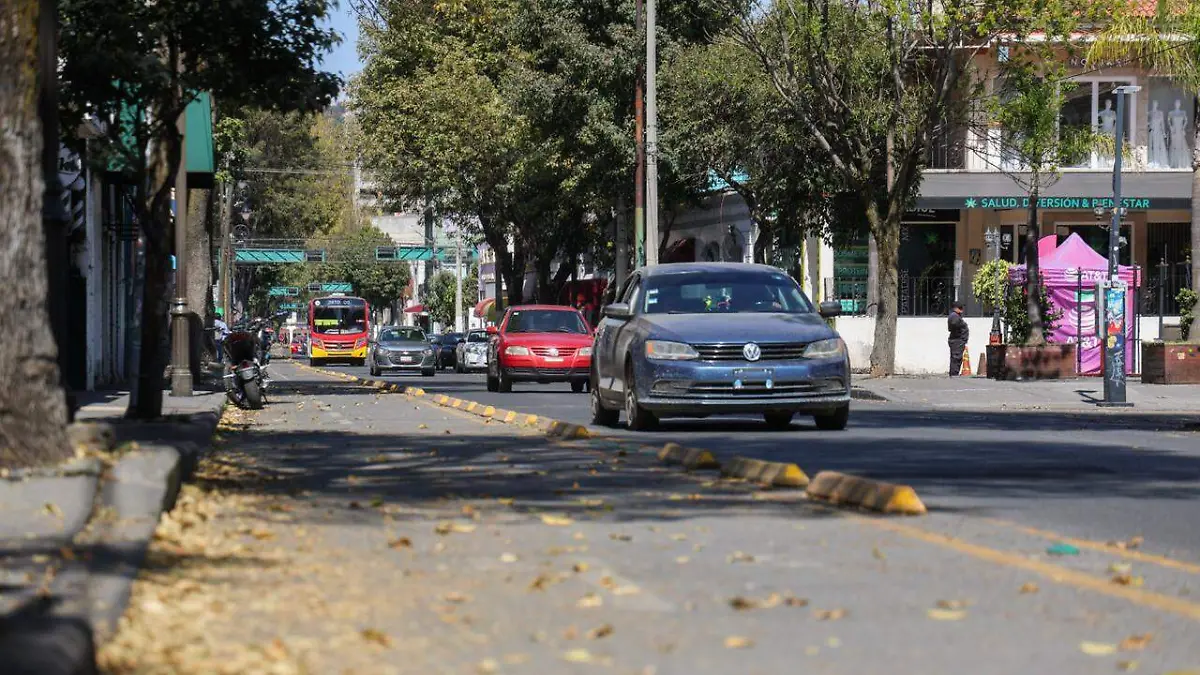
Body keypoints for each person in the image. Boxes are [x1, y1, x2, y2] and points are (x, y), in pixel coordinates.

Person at [947, 301, 969, 377]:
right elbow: (954, 325)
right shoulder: (954, 316)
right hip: (957, 340)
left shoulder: (956, 315)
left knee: (956, 358)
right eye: (960, 308)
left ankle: (954, 374)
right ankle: (954, 374)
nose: (962, 310)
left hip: (958, 340)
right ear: (955, 308)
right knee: (956, 358)